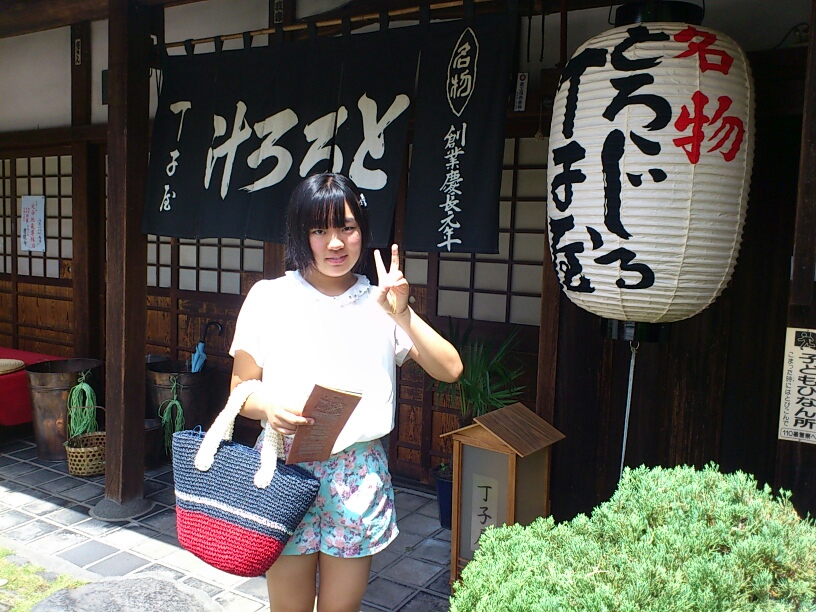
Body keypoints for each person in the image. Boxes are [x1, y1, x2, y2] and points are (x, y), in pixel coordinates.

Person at [228, 172, 463, 612]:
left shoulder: (382, 303)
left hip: (357, 474)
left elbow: (450, 369)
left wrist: (402, 313)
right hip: (283, 467)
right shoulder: (269, 297)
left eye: (347, 228)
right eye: (319, 230)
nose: (335, 243)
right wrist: (269, 406)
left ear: (363, 232)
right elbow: (241, 391)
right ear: (300, 233)